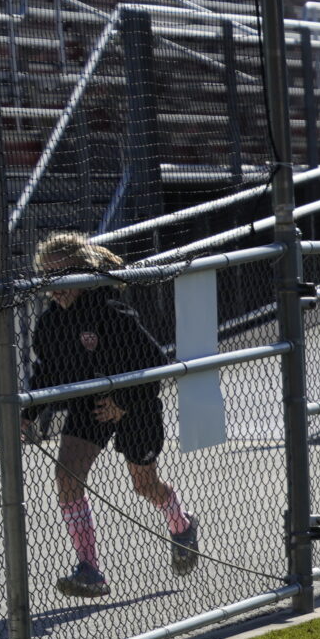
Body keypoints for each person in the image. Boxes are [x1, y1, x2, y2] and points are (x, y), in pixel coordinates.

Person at [23, 232, 198, 600]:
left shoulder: (110, 309)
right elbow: (47, 370)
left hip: (135, 404)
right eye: (48, 278)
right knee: (66, 476)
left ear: (83, 273)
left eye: (64, 276)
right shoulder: (51, 322)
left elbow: (154, 363)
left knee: (144, 486)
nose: (56, 287)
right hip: (89, 407)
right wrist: (29, 413)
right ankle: (90, 569)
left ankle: (181, 525)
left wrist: (123, 402)